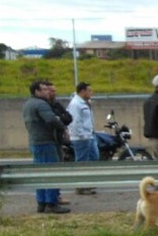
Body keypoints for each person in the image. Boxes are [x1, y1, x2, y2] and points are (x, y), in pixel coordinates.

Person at [23, 80, 70, 214]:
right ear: (37, 91)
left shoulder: (28, 104)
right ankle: (52, 203)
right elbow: (50, 119)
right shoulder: (41, 104)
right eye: (44, 89)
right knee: (52, 171)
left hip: (35, 141)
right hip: (46, 142)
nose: (47, 91)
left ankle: (41, 203)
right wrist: (63, 128)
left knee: (40, 173)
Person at [67, 82, 100, 194]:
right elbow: (75, 122)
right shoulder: (76, 104)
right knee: (82, 161)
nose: (91, 93)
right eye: (89, 90)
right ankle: (80, 186)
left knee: (94, 158)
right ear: (82, 91)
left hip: (90, 135)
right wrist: (82, 135)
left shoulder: (85, 103)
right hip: (81, 138)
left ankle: (88, 182)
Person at [45, 81, 73, 204]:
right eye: (51, 91)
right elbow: (50, 121)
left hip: (58, 140)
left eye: (55, 91)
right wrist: (59, 120)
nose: (54, 93)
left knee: (58, 168)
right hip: (49, 139)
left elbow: (68, 117)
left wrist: (59, 120)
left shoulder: (56, 104)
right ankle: (51, 198)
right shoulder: (44, 106)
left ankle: (57, 195)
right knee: (50, 169)